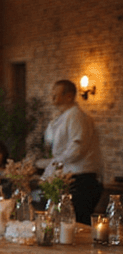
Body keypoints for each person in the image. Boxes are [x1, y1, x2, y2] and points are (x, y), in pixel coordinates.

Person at [44, 79, 102, 224]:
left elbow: (77, 149)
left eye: (55, 94)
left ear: (69, 96)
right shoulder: (61, 117)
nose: (52, 97)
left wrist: (55, 162)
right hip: (67, 178)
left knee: (76, 224)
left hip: (80, 180)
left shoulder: (76, 116)